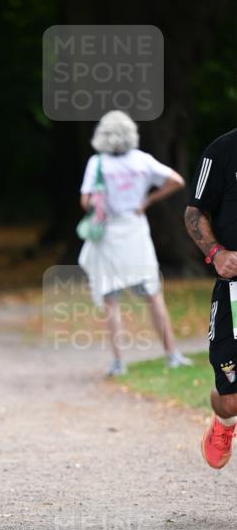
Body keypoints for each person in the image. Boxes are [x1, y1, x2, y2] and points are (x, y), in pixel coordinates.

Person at [78, 110, 191, 377]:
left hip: (108, 235)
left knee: (110, 299)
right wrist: (147, 201)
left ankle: (119, 361)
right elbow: (176, 180)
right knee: (153, 294)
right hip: (136, 232)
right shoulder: (142, 161)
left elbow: (86, 202)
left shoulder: (98, 164)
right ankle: (172, 353)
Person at [184, 127, 237, 469]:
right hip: (234, 290)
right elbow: (194, 213)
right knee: (230, 401)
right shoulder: (222, 150)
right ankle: (224, 424)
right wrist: (216, 253)